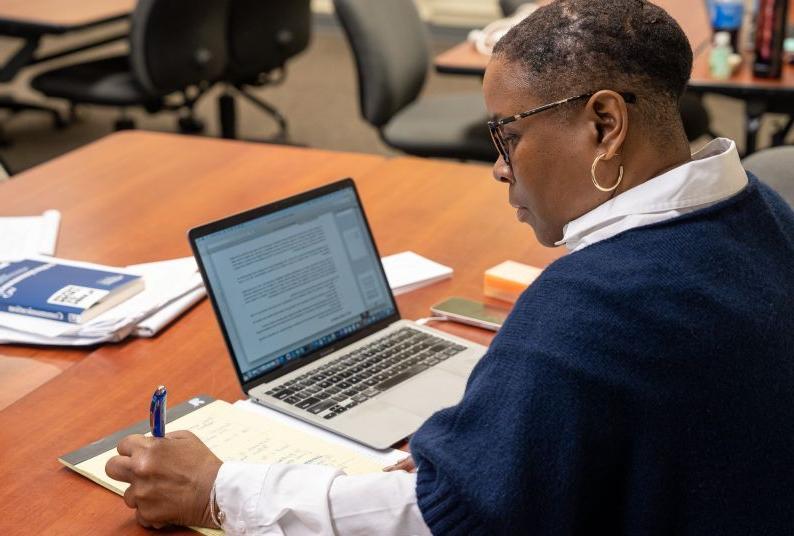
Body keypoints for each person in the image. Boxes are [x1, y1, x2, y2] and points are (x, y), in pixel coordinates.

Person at [106, 0, 794, 534]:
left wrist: (215, 489)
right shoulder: (761, 210)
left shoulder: (594, 308)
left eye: (509, 133)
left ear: (605, 125)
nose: (499, 165)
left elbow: (445, 519)